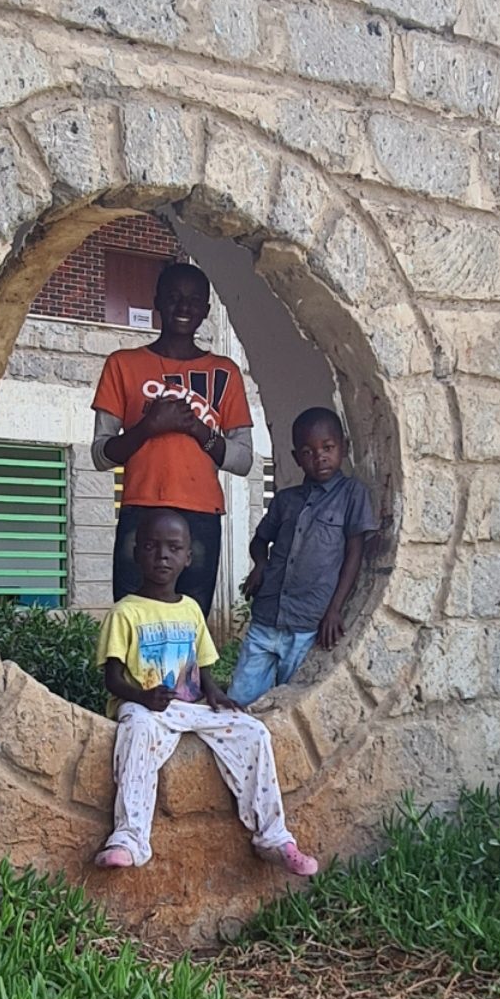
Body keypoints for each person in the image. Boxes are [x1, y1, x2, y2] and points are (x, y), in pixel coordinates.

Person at [93, 508, 318, 876]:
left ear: (188, 557)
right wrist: (143, 697)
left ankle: (273, 837)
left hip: (190, 707)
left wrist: (214, 694)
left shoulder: (192, 610)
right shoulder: (125, 613)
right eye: (151, 546)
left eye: (173, 548)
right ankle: (129, 839)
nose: (162, 556)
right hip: (144, 707)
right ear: (136, 553)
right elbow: (113, 679)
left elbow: (203, 666)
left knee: (254, 732)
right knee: (135, 732)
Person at [91, 262, 253, 616]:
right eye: (174, 297)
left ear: (206, 310)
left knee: (190, 619)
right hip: (141, 508)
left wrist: (197, 429)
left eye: (194, 301)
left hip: (201, 514)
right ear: (157, 302)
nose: (183, 307)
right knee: (132, 616)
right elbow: (101, 454)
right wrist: (149, 427)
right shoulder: (123, 365)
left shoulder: (225, 372)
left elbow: (243, 460)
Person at [228, 407, 376, 708]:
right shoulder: (285, 500)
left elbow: (354, 554)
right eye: (308, 452)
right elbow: (260, 540)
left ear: (344, 447)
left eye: (328, 448)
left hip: (308, 625)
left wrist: (335, 610)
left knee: (293, 705)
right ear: (296, 458)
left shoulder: (351, 495)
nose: (319, 457)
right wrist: (260, 565)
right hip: (267, 617)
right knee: (240, 700)